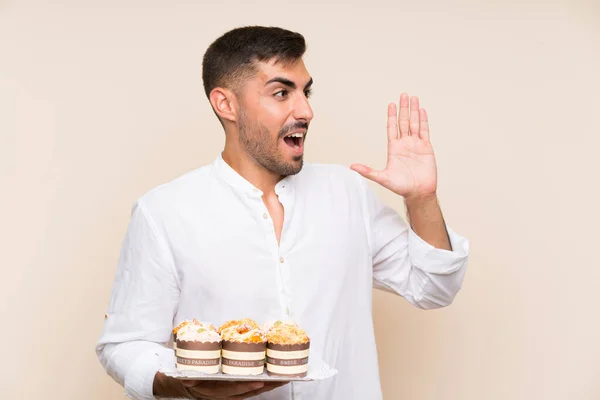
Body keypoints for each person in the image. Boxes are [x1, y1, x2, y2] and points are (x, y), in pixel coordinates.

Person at [96, 26, 470, 400]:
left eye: (305, 92)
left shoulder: (348, 193)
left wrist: (422, 199)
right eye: (281, 93)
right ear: (226, 104)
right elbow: (125, 345)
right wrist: (183, 387)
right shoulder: (164, 212)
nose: (306, 110)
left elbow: (433, 287)